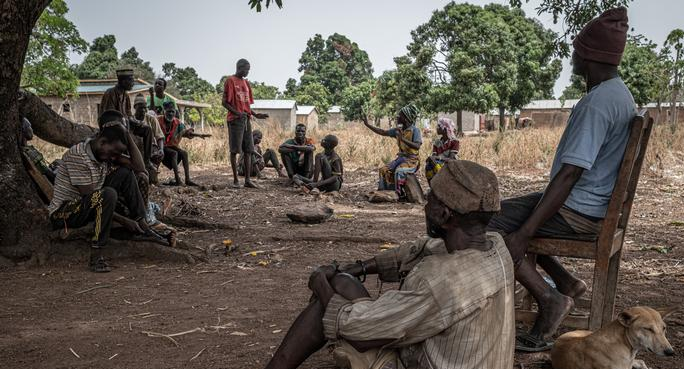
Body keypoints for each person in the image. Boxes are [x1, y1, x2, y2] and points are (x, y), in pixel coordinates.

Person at [264, 160, 514, 369]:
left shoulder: (438, 280)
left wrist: (320, 283)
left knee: (332, 309)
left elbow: (358, 330)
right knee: (342, 282)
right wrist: (359, 267)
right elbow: (420, 249)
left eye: (431, 199)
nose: (425, 206)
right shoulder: (496, 246)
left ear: (445, 215)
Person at [487, 7, 635, 351]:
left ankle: (551, 299)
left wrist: (524, 234)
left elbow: (570, 174)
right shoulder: (621, 95)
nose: (573, 58)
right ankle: (566, 282)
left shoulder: (597, 104)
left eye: (576, 51)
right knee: (510, 212)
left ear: (588, 55)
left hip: (579, 213)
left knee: (485, 223)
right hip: (592, 206)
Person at [48, 112, 158, 273]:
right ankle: (96, 255)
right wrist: (123, 221)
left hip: (91, 203)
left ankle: (143, 224)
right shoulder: (78, 156)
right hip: (65, 212)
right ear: (102, 141)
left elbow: (140, 168)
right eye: (113, 153)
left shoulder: (105, 152)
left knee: (125, 174)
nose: (113, 157)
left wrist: (126, 134)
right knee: (107, 194)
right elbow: (92, 197)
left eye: (116, 154)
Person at [222, 59, 269, 189]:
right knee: (234, 150)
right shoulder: (230, 81)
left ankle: (248, 180)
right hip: (235, 120)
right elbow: (224, 103)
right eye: (246, 69)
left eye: (249, 70)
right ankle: (236, 180)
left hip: (246, 119)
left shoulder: (246, 83)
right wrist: (237, 113)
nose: (248, 72)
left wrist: (255, 114)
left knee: (249, 149)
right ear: (239, 67)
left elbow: (246, 106)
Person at [100, 68, 156, 173]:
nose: (132, 83)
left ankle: (147, 161)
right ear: (124, 81)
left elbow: (129, 114)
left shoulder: (125, 95)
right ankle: (132, 166)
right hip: (114, 129)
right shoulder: (110, 93)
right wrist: (124, 123)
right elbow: (109, 118)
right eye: (131, 81)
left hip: (126, 126)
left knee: (147, 130)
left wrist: (136, 122)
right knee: (127, 138)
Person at [363, 104, 422, 197]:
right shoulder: (398, 130)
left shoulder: (415, 130)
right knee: (383, 170)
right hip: (401, 159)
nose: (397, 117)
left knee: (399, 171)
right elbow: (383, 132)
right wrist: (367, 125)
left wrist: (402, 139)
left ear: (406, 117)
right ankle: (385, 193)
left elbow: (417, 146)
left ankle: (400, 194)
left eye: (400, 115)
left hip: (412, 160)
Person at [157, 101, 198, 186]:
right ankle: (178, 180)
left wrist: (193, 133)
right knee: (174, 153)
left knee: (184, 153)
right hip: (160, 146)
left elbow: (185, 132)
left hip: (171, 146)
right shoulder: (158, 120)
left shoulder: (177, 123)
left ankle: (187, 179)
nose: (171, 114)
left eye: (173, 112)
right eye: (169, 111)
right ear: (164, 111)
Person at [133, 94, 165, 184]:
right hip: (136, 149)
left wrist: (161, 149)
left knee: (158, 153)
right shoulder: (131, 120)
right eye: (140, 108)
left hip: (149, 149)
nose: (143, 110)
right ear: (135, 107)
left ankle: (152, 173)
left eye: (145, 108)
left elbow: (160, 136)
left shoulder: (151, 119)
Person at [19, 117, 56, 183]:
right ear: (24, 130)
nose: (32, 130)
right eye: (29, 127)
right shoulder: (28, 151)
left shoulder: (27, 148)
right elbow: (50, 175)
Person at [425, 117, 460, 182]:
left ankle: (441, 186)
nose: (437, 128)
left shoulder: (454, 142)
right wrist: (431, 158)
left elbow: (451, 159)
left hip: (450, 165)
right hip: (438, 162)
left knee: (437, 166)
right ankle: (432, 187)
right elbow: (434, 156)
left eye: (439, 126)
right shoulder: (437, 142)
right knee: (428, 165)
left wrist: (437, 158)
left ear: (444, 129)